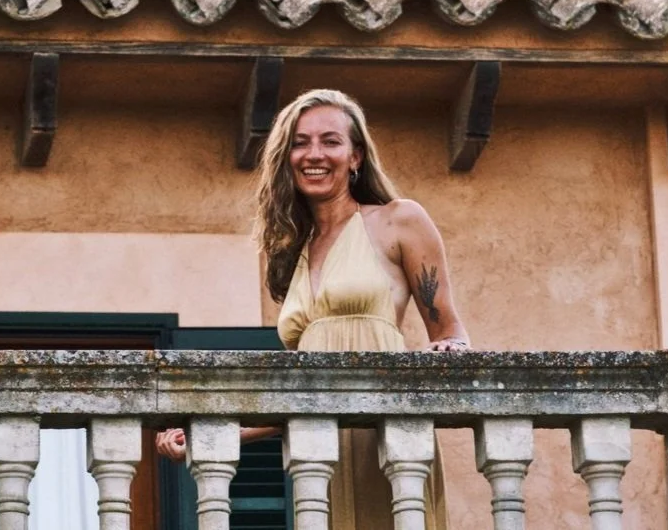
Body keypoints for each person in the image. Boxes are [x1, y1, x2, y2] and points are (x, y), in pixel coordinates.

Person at [156, 89, 471, 528]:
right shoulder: (290, 252)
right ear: (285, 157)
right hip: (318, 453)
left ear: (356, 155)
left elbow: (450, 334)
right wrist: (216, 432)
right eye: (300, 142)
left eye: (330, 141)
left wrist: (449, 351)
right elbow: (299, 394)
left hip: (386, 440)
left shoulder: (398, 220)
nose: (313, 154)